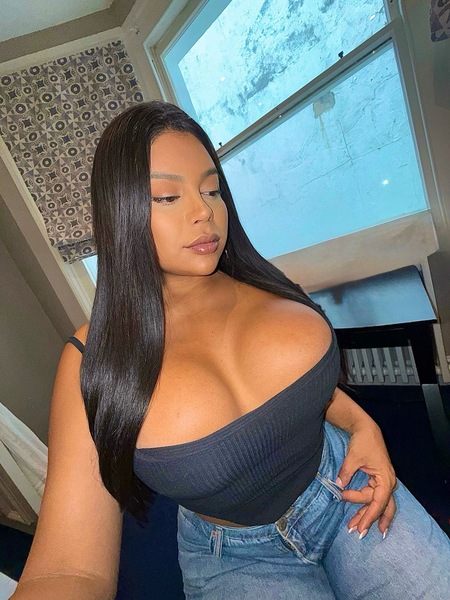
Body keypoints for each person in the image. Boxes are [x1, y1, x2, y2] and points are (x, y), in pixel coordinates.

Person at [12, 101, 450, 600]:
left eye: (212, 189)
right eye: (167, 196)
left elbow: (303, 394)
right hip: (235, 557)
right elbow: (68, 569)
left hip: (345, 485)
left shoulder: (261, 282)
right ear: (120, 212)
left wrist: (361, 424)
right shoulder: (95, 361)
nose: (204, 211)